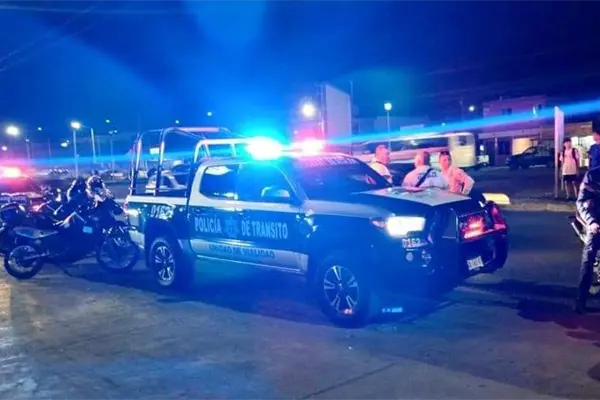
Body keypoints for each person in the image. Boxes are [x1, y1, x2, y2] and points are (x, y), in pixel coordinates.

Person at [574, 167, 600, 313]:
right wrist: (591, 222)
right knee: (588, 259)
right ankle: (580, 301)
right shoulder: (592, 175)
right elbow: (581, 202)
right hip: (596, 224)